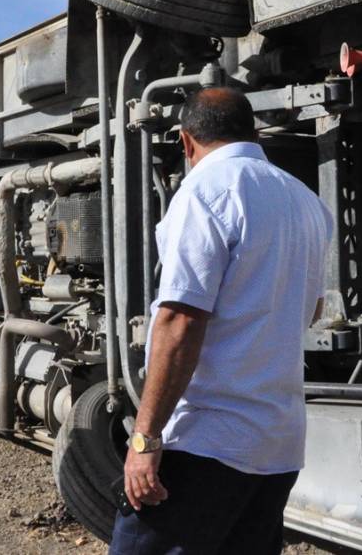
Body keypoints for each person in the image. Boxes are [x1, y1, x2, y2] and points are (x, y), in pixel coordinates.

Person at [111, 88, 333, 554]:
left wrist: (145, 438)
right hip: (278, 447)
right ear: (253, 133)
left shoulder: (205, 191)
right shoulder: (307, 201)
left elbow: (179, 321)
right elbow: (311, 310)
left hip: (206, 445)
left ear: (186, 142)